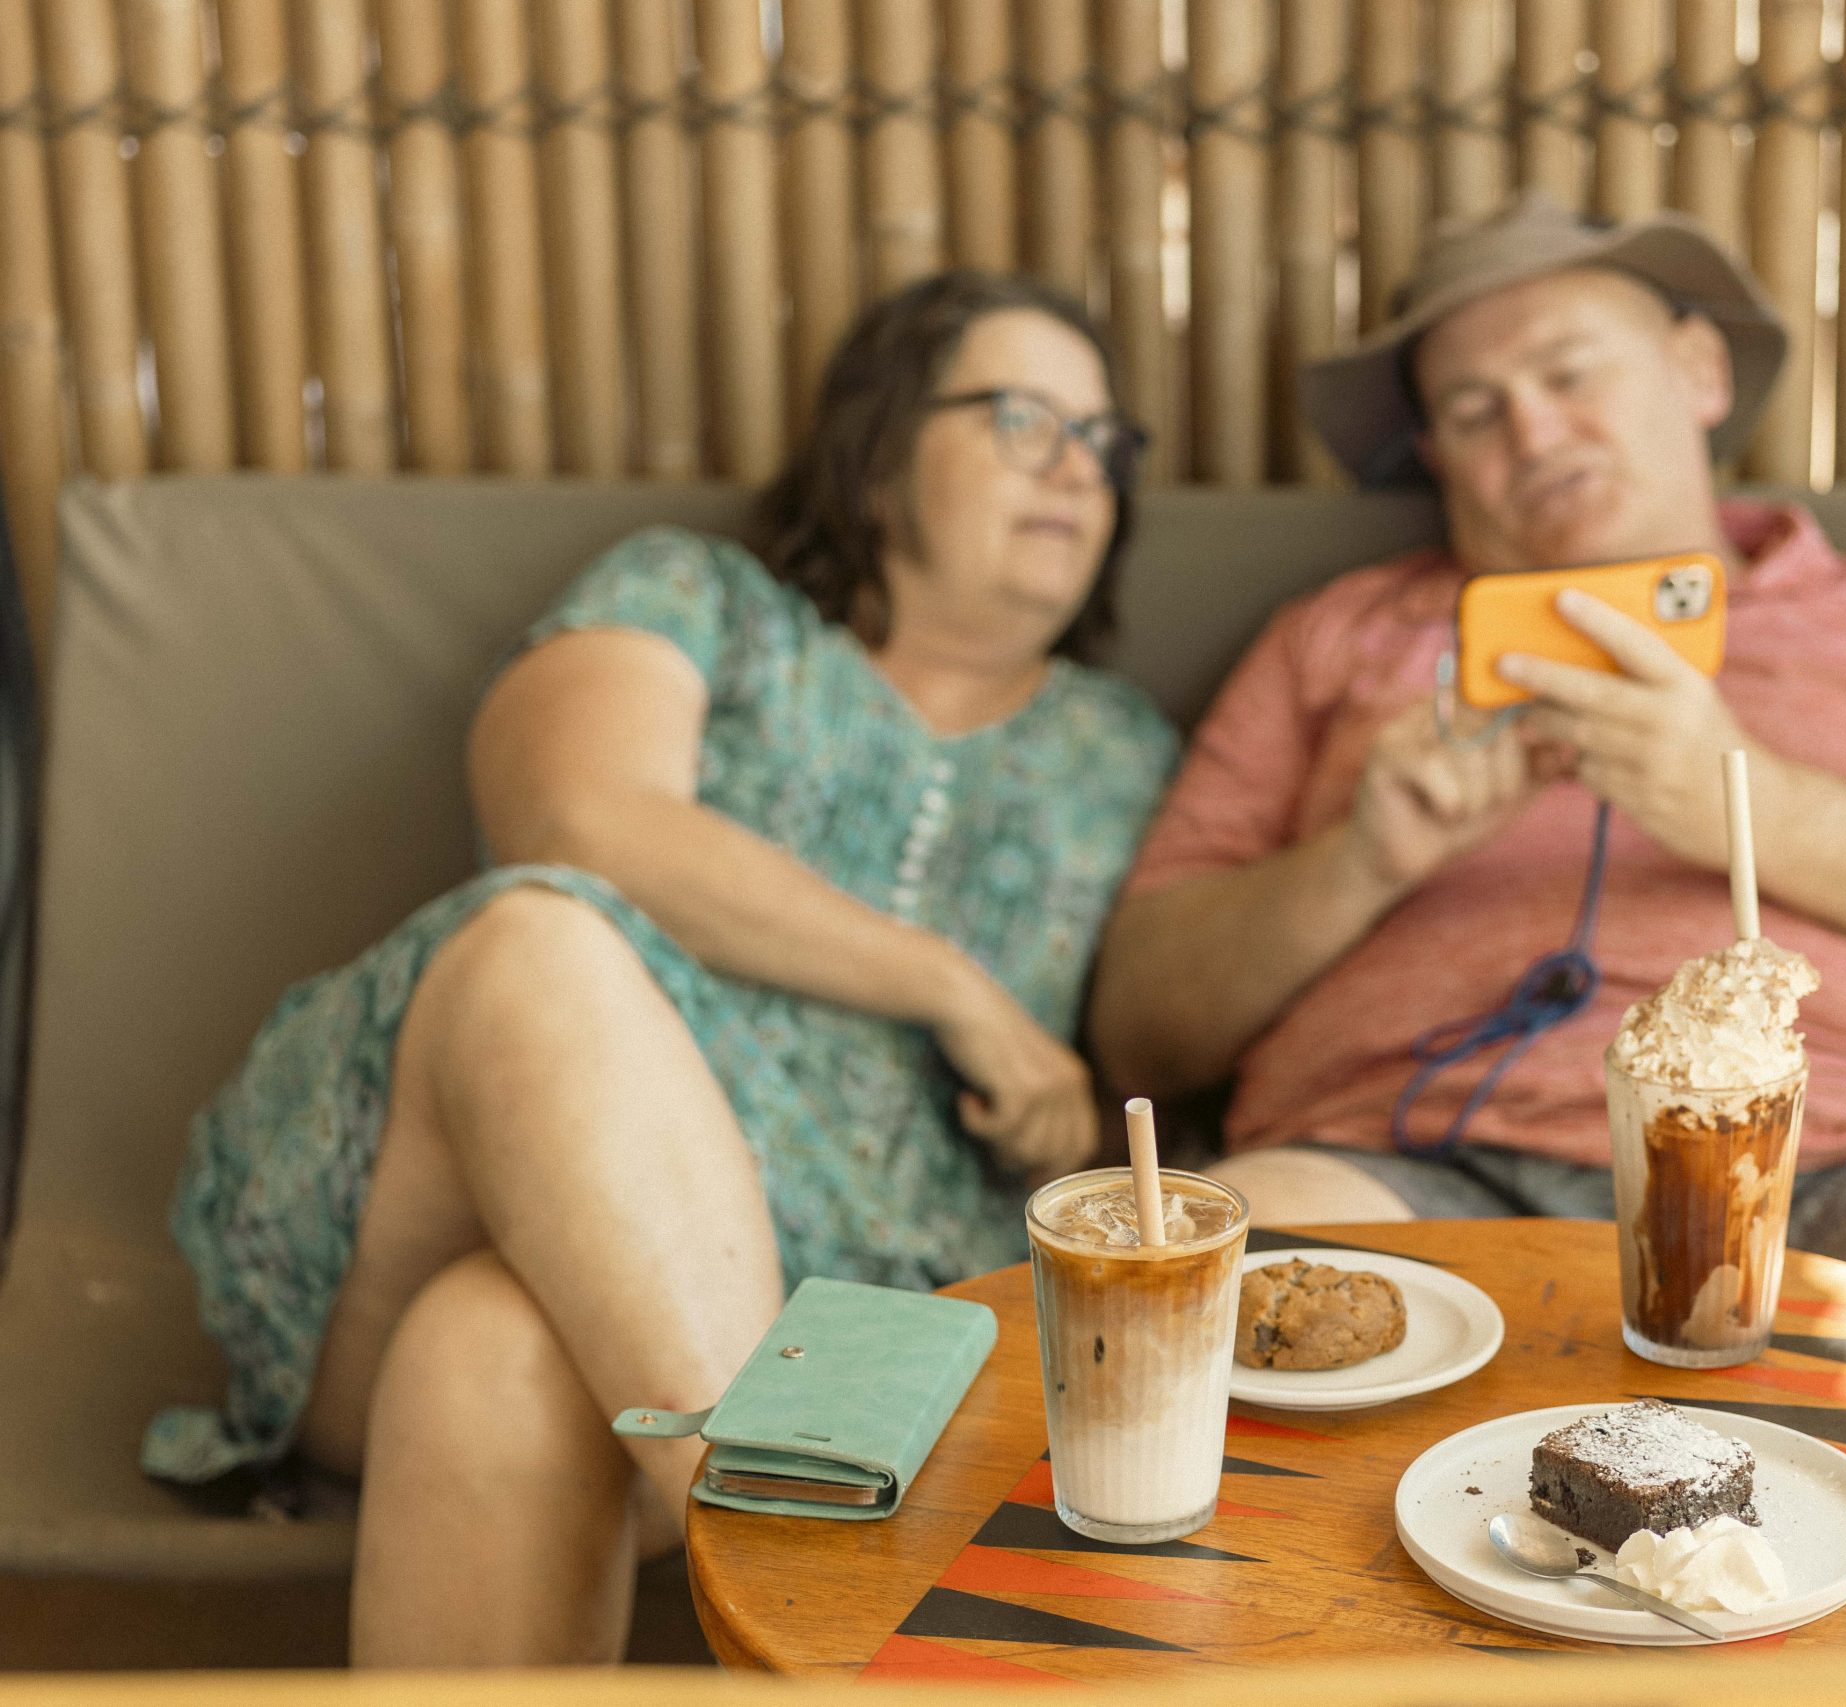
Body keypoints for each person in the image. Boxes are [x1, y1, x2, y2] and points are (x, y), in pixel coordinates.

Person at [1090, 193, 1846, 1634]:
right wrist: (1360, 863)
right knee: (1196, 1273)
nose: (1532, 433)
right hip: (1414, 1178)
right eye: (1474, 409)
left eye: (1572, 373)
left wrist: (1748, 797)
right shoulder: (1336, 639)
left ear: (1700, 374)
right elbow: (1139, 1017)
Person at [144, 272, 1175, 1665]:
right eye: (1023, 418)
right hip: (423, 1199)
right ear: (877, 453)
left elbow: (1178, 1042)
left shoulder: (1132, 755)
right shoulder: (694, 596)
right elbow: (578, 813)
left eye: (1105, 440)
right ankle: (821, 1585)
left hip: (866, 1304)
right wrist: (959, 992)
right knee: (537, 939)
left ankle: (784, 1528)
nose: (1077, 467)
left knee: (495, 1348)